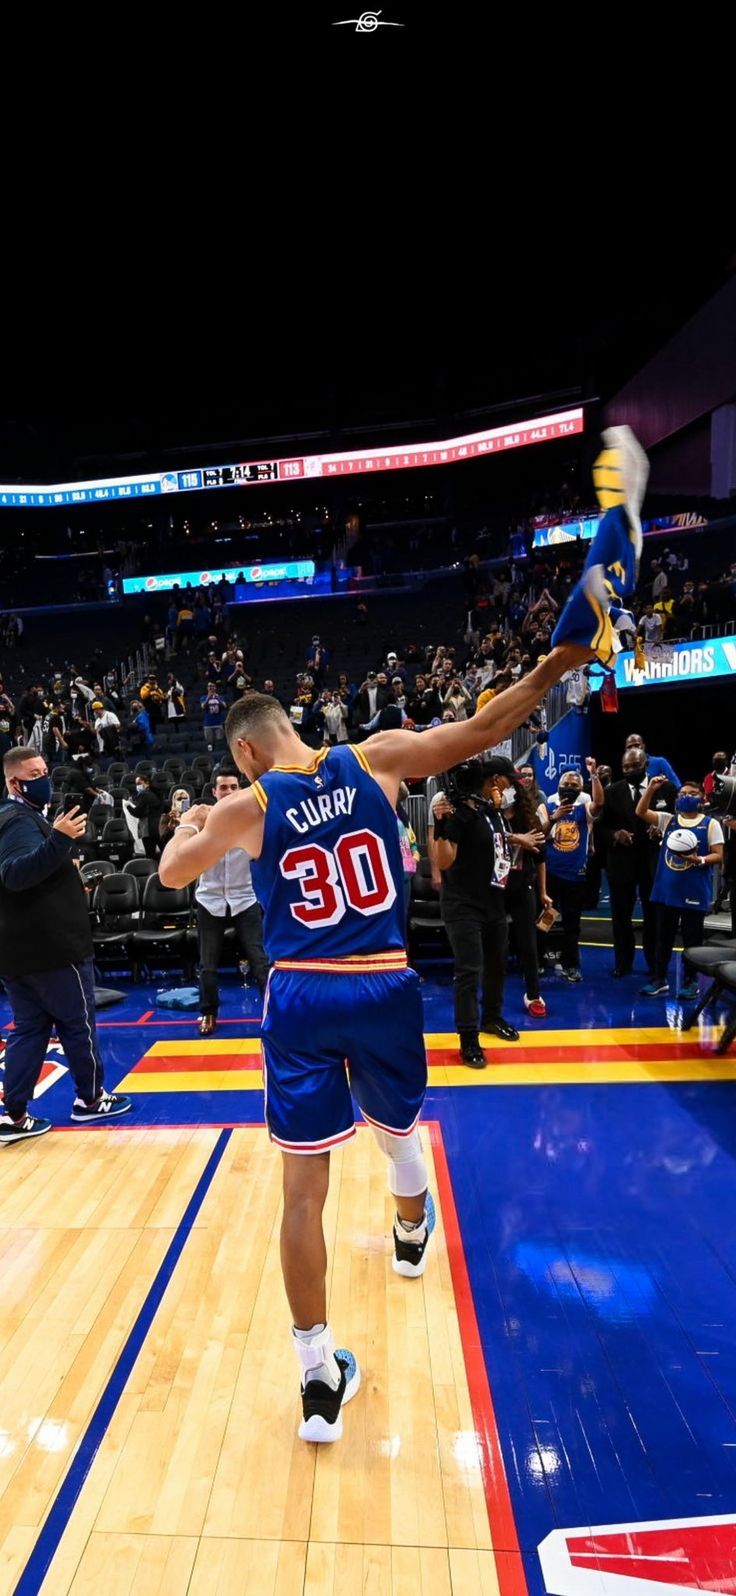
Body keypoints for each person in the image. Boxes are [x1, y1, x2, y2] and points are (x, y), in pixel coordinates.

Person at [159, 638, 591, 1443]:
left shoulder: (245, 807)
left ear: (246, 750)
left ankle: (318, 1379)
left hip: (300, 992)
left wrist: (190, 819)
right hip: (384, 977)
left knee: (301, 1194)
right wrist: (554, 667)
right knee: (398, 1132)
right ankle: (410, 1228)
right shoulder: (378, 756)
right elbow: (489, 721)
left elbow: (174, 874)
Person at [0, 747, 132, 1145]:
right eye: (33, 774)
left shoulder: (15, 818)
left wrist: (64, 871)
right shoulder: (17, 821)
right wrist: (59, 840)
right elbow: (14, 874)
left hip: (19, 951)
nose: (44, 779)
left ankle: (14, 1114)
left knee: (29, 1030)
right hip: (53, 949)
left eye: (44, 770)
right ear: (13, 782)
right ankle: (90, 1100)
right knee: (78, 1024)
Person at [193, 769, 269, 1037]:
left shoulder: (253, 820)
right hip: (210, 898)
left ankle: (275, 1013)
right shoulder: (202, 822)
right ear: (214, 792)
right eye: (223, 787)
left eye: (233, 786)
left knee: (259, 958)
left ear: (240, 789)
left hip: (245, 897)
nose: (228, 791)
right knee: (208, 963)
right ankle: (208, 1013)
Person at [636, 777, 724, 997]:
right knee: (663, 938)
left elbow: (719, 855)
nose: (686, 797)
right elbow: (641, 811)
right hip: (667, 891)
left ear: (702, 798)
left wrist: (700, 860)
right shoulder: (669, 820)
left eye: (692, 794)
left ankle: (690, 981)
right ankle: (659, 979)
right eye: (682, 793)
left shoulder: (710, 823)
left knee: (692, 940)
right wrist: (651, 789)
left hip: (694, 891)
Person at [601, 748, 675, 977]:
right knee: (620, 916)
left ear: (645, 765)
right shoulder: (612, 791)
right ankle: (623, 963)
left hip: (652, 864)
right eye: (626, 767)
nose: (630, 770)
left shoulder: (666, 789)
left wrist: (660, 831)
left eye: (634, 766)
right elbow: (601, 828)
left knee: (653, 917)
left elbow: (677, 823)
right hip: (620, 863)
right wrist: (615, 835)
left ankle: (654, 964)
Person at [544, 764, 604, 981]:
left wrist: (594, 776)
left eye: (574, 785)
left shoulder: (585, 805)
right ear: (558, 786)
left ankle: (572, 965)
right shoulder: (549, 803)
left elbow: (599, 804)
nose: (569, 787)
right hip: (549, 874)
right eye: (566, 784)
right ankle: (539, 961)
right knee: (545, 919)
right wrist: (553, 817)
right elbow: (539, 833)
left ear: (581, 788)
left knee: (572, 924)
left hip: (575, 876)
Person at [501, 773, 551, 1017]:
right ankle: (491, 994)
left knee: (528, 943)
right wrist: (517, 840)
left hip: (523, 886)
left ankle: (533, 993)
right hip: (495, 889)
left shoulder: (529, 820)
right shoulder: (493, 818)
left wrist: (543, 892)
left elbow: (541, 859)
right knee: (495, 943)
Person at [124, 772, 162, 860]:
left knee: (150, 856)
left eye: (139, 783)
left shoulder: (144, 794)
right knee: (164, 853)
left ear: (147, 783)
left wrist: (128, 806)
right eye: (136, 784)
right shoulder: (156, 793)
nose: (137, 786)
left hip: (148, 829)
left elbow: (138, 813)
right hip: (160, 828)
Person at [201, 681, 228, 750]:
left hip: (218, 723)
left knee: (219, 743)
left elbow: (225, 706)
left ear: (215, 687)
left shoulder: (220, 697)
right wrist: (208, 697)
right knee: (209, 744)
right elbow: (203, 707)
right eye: (209, 686)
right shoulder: (203, 697)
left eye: (212, 686)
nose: (211, 688)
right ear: (207, 688)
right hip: (208, 724)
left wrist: (218, 698)